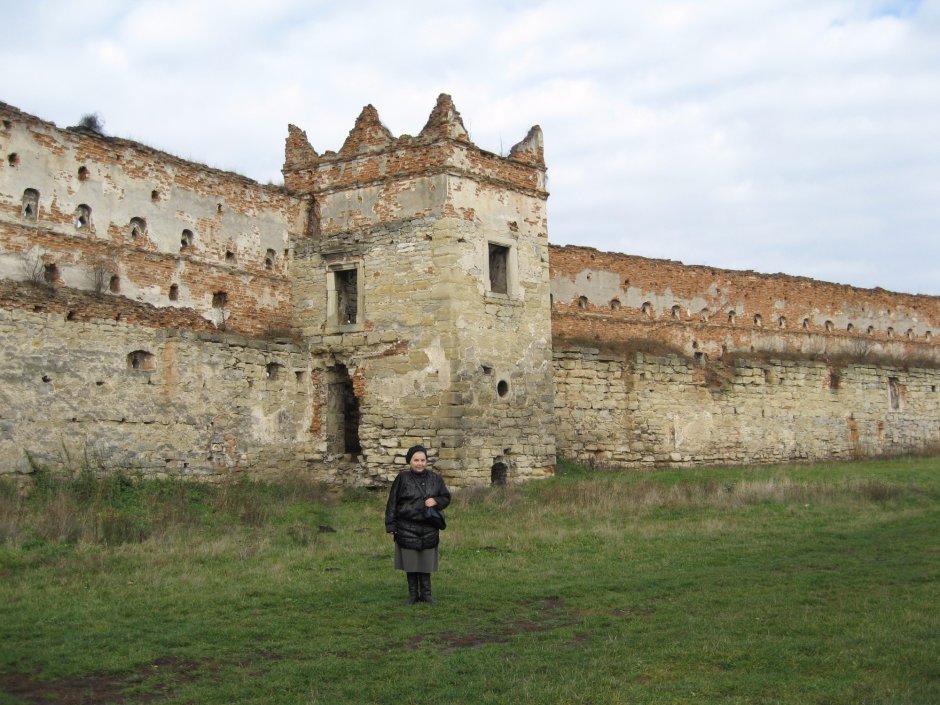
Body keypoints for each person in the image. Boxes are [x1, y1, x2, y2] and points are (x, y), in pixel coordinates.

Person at [385, 444, 451, 605]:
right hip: (406, 527)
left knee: (426, 563)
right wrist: (391, 525)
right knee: (411, 564)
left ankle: (427, 594)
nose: (419, 463)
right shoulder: (402, 478)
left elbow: (446, 497)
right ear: (410, 461)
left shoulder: (435, 479)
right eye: (416, 460)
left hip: (429, 527)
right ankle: (413, 595)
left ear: (426, 461)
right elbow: (392, 502)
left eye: (422, 460)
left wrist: (435, 500)